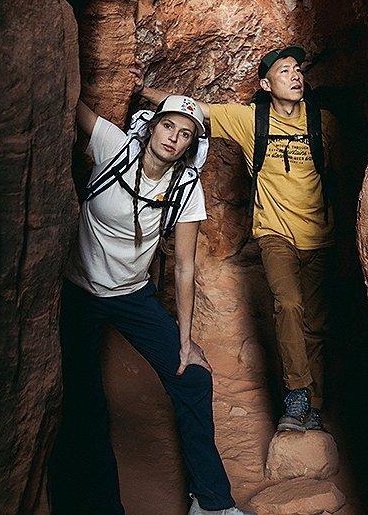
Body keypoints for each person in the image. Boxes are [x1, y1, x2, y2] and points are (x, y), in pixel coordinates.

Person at [49, 92, 255, 515]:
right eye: (168, 126)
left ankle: (212, 503)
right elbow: (72, 103)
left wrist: (185, 341)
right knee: (88, 406)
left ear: (190, 146)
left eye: (185, 134)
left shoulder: (185, 186)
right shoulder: (114, 146)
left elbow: (183, 266)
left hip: (133, 296)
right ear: (152, 125)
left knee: (194, 378)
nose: (173, 138)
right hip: (81, 293)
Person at [137, 45, 338, 434]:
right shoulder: (250, 120)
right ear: (266, 84)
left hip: (321, 238)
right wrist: (146, 91)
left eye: (298, 70)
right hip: (274, 233)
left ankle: (314, 405)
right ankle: (296, 393)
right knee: (289, 304)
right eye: (284, 71)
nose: (295, 76)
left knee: (315, 324)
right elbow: (196, 108)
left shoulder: (323, 122)